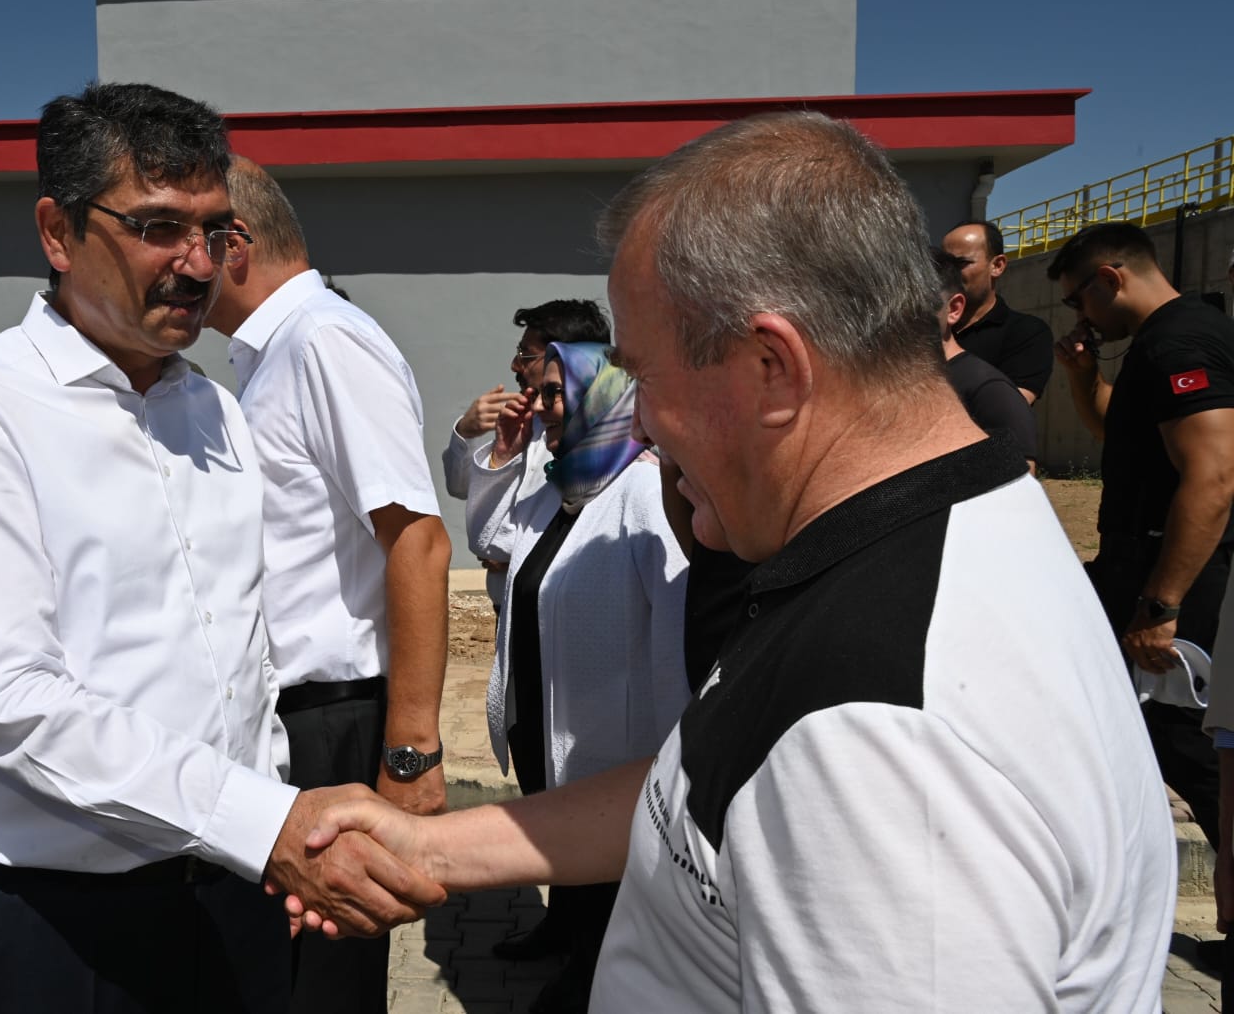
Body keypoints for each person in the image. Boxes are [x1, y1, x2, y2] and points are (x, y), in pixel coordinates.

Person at [299, 111, 1176, 1012]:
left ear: (771, 368)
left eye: (645, 376)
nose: (636, 422)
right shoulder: (937, 527)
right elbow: (714, 786)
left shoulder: (881, 737)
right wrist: (433, 848)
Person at [0, 82, 441, 1014]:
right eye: (158, 227)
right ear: (58, 233)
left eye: (216, 231)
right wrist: (267, 822)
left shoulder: (212, 408)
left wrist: (266, 830)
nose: (198, 263)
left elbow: (243, 652)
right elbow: (10, 702)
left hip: (234, 890)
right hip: (62, 925)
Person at [204, 155, 449, 1014]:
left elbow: (417, 540)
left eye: (186, 236)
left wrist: (410, 755)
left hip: (332, 724)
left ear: (233, 243)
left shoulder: (323, 340)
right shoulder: (272, 354)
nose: (173, 265)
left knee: (321, 989)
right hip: (290, 720)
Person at [467, 340, 688, 1011]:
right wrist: (503, 456)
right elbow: (489, 542)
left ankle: (588, 978)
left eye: (554, 393)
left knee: (606, 869)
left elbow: (674, 622)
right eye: (540, 393)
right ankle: (561, 932)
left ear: (600, 398)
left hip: (612, 733)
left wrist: (675, 745)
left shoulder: (642, 491)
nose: (540, 406)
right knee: (557, 837)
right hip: (543, 712)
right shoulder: (557, 488)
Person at [1052, 220, 1234, 877]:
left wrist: (1162, 605)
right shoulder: (1155, 343)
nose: (1080, 316)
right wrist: (1082, 376)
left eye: (1077, 299)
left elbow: (1213, 476)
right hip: (1142, 567)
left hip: (1181, 575)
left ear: (1110, 278)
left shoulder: (1181, 342)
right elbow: (1120, 435)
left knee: (1186, 739)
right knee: (1131, 724)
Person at [444, 302, 611, 609]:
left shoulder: (607, 444)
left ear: (567, 359)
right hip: (512, 610)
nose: (514, 365)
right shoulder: (524, 423)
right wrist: (469, 434)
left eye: (526, 354)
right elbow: (464, 493)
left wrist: (515, 551)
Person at [933, 248, 1037, 471]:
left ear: (953, 309)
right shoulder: (894, 382)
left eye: (912, 303)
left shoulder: (990, 391)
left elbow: (1019, 485)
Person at [943, 219, 1054, 403]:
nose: (948, 273)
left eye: (961, 263)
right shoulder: (925, 328)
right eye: (943, 265)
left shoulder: (1026, 333)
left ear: (997, 266)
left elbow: (1008, 410)